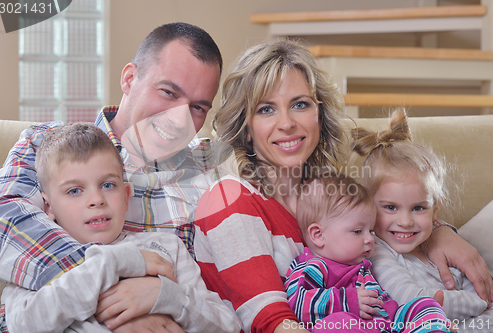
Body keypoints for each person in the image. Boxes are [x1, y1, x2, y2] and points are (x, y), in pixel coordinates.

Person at [193, 39, 492, 333]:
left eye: (300, 104)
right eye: (266, 109)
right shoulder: (229, 198)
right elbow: (273, 323)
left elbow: (396, 212)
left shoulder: (330, 190)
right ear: (246, 129)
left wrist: (439, 233)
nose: (286, 124)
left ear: (319, 116)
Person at [0, 22, 222, 332]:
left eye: (197, 107)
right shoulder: (46, 144)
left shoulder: (210, 169)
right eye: (168, 92)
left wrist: (161, 297)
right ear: (129, 78)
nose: (179, 118)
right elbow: (3, 226)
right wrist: (118, 292)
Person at [1, 123, 241, 333]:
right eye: (74, 190)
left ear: (126, 196)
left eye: (107, 185)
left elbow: (227, 325)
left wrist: (167, 296)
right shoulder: (36, 258)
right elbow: (24, 324)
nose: (96, 199)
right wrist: (114, 262)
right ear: (48, 206)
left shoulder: (166, 246)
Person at [352, 109, 493, 333]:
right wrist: (479, 303)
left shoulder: (446, 247)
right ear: (368, 206)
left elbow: (481, 287)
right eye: (390, 207)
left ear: (435, 210)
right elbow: (413, 301)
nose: (406, 221)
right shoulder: (377, 252)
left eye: (418, 208)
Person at [285, 175, 451, 332]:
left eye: (371, 230)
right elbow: (298, 304)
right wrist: (348, 300)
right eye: (357, 231)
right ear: (318, 235)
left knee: (426, 306)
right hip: (352, 326)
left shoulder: (361, 265)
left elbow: (384, 305)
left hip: (388, 324)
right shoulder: (314, 267)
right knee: (335, 325)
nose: (370, 239)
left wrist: (423, 318)